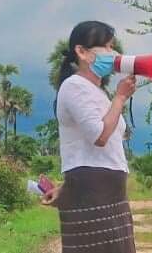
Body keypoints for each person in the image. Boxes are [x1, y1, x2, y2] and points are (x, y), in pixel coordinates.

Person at [43, 21, 137, 253]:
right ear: (81, 52)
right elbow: (100, 136)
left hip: (110, 186)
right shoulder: (74, 86)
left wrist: (65, 187)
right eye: (105, 46)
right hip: (92, 187)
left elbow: (110, 137)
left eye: (112, 47)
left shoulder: (98, 92)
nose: (112, 53)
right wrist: (120, 98)